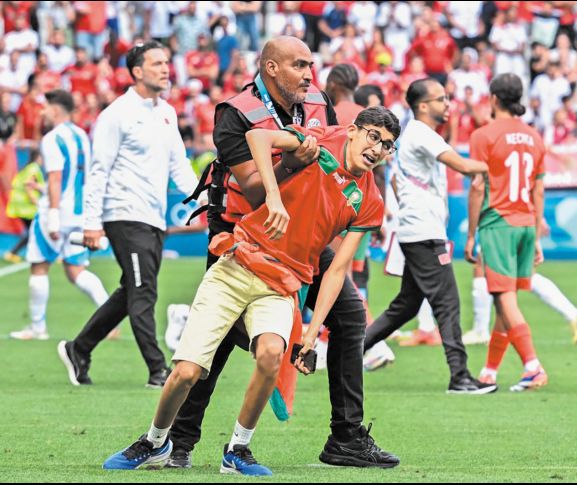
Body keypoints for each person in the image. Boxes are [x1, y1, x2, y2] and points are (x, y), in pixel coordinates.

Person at [102, 107, 401, 476]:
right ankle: (155, 441)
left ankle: (237, 449)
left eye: (387, 145)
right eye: (373, 137)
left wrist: (311, 333)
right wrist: (272, 196)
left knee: (272, 354)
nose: (378, 149)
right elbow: (257, 136)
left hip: (281, 284)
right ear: (353, 130)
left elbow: (337, 270)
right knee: (186, 373)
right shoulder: (318, 141)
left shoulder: (369, 201)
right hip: (238, 265)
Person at [165, 36, 394, 470]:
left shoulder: (319, 103)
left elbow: (334, 172)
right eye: (299, 66)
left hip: (300, 237)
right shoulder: (235, 112)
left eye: (310, 65)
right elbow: (254, 190)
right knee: (219, 340)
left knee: (349, 315)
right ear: (271, 68)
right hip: (241, 231)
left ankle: (346, 438)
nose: (310, 74)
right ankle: (179, 441)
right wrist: (293, 163)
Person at [57, 42, 199, 388]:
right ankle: (158, 370)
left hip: (153, 217)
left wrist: (205, 199)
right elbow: (98, 171)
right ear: (137, 72)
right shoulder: (116, 114)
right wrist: (92, 223)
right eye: (157, 63)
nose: (165, 69)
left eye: (166, 62)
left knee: (132, 290)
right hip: (123, 213)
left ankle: (79, 349)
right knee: (144, 291)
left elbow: (179, 166)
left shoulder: (167, 112)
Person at [363, 78, 495, 395]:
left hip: (418, 229)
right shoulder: (421, 133)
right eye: (441, 99)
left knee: (406, 306)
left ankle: (348, 351)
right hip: (423, 232)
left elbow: (399, 182)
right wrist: (499, 164)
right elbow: (464, 166)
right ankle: (460, 377)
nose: (447, 104)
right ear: (423, 106)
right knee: (447, 302)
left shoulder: (418, 134)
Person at [465, 73, 549, 392]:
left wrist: (471, 234)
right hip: (526, 222)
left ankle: (533, 366)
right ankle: (489, 371)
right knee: (506, 300)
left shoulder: (483, 135)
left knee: (504, 297)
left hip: (498, 222)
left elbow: (477, 187)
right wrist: (537, 236)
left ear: (494, 99)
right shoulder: (534, 137)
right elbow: (538, 190)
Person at [8, 91, 109, 341]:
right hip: (78, 212)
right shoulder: (82, 136)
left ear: (54, 110)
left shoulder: (52, 138)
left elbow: (55, 178)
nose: (42, 112)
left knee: (39, 267)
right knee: (76, 270)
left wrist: (53, 214)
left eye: (45, 108)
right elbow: (80, 177)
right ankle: (109, 318)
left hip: (54, 212)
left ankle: (37, 328)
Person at [4, 149, 43, 264]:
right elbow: (28, 186)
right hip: (27, 208)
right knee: (34, 232)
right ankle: (13, 252)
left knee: (32, 232)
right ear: (38, 157)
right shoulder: (34, 169)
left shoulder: (26, 168)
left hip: (20, 206)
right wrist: (36, 201)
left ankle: (18, 252)